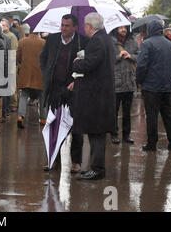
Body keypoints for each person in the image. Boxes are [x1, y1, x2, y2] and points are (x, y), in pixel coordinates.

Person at [40, 14, 89, 173]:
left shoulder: (83, 42)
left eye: (67, 26)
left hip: (74, 89)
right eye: (61, 25)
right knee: (54, 125)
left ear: (75, 27)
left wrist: (78, 81)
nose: (63, 28)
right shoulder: (52, 40)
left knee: (76, 127)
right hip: (55, 89)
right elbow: (43, 59)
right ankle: (53, 160)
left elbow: (88, 66)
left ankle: (76, 162)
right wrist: (48, 75)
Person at [73, 13, 116, 181]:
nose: (84, 29)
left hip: (97, 95)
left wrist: (77, 61)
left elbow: (89, 64)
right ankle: (95, 167)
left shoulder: (97, 41)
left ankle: (97, 169)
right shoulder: (105, 39)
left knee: (96, 132)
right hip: (101, 93)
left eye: (85, 26)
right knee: (95, 132)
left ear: (90, 26)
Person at [136, 20, 171, 152]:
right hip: (167, 86)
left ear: (150, 30)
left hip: (151, 86)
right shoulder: (169, 44)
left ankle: (152, 144)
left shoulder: (147, 44)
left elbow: (141, 66)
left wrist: (139, 80)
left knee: (152, 115)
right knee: (168, 115)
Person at [110, 25, 139, 145]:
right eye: (120, 28)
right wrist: (119, 56)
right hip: (116, 82)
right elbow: (107, 59)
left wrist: (130, 56)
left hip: (129, 82)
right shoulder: (111, 42)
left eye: (125, 28)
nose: (123, 30)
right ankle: (114, 134)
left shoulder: (132, 42)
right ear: (116, 29)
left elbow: (140, 56)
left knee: (127, 112)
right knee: (114, 111)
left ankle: (126, 135)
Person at [16, 24, 45, 129]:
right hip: (39, 74)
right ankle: (43, 118)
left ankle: (21, 116)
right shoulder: (43, 43)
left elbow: (18, 57)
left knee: (24, 95)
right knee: (42, 96)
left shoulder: (22, 41)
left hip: (25, 74)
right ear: (39, 32)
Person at [0, 18, 18, 116]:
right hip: (3, 64)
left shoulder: (12, 36)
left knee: (12, 85)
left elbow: (14, 50)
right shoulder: (1, 36)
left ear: (7, 26)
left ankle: (13, 103)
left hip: (10, 64)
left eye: (2, 25)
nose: (1, 26)